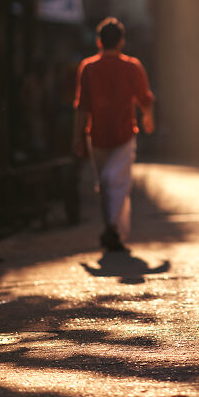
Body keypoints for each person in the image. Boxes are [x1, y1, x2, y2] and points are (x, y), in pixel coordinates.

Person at [72, 18, 154, 251]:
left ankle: (113, 228)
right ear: (121, 42)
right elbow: (145, 99)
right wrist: (148, 119)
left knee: (109, 183)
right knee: (113, 183)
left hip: (97, 135)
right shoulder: (132, 66)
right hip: (123, 134)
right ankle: (114, 228)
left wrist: (77, 137)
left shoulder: (88, 67)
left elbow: (81, 107)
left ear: (98, 41)